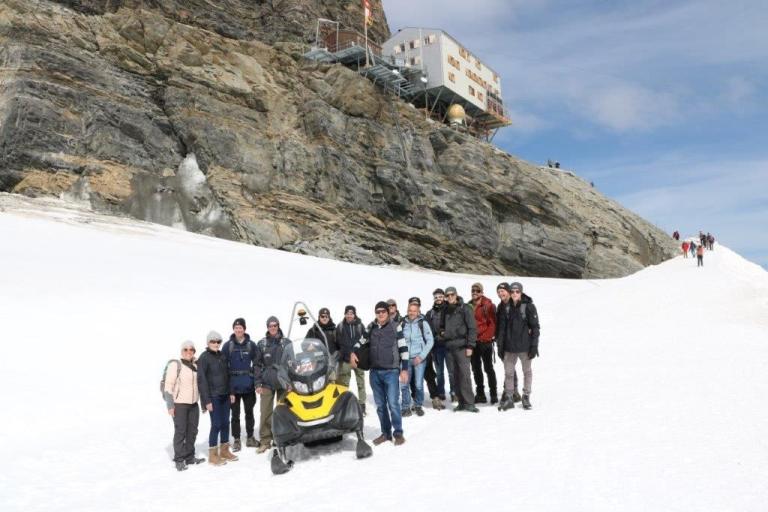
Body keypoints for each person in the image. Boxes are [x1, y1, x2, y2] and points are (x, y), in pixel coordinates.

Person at [351, 301, 409, 445]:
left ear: (388, 312)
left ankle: (398, 433)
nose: (381, 314)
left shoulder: (396, 327)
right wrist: (353, 352)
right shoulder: (371, 327)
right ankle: (386, 433)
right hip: (375, 372)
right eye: (378, 312)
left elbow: (403, 349)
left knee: (393, 404)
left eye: (383, 311)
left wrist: (405, 369)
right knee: (381, 406)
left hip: (391, 371)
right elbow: (360, 342)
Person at [496, 282, 540, 411]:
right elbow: (502, 330)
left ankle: (526, 396)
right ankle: (509, 397)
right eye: (513, 291)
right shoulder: (505, 307)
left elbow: (535, 328)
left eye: (517, 291)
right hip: (509, 348)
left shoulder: (529, 307)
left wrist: (534, 346)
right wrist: (500, 347)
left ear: (521, 292)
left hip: (525, 347)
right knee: (508, 374)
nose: (515, 294)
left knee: (527, 372)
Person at [197, 331, 238, 465]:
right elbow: (201, 381)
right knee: (216, 424)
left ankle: (225, 451)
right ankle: (213, 455)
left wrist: (231, 392)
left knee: (226, 423)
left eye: (218, 342)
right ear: (208, 343)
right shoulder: (203, 358)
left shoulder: (222, 356)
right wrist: (206, 401)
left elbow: (229, 375)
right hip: (213, 397)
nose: (216, 344)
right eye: (213, 342)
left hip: (225, 395)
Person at [163, 340, 204, 471]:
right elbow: (168, 385)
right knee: (181, 432)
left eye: (191, 349)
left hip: (193, 404)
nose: (188, 352)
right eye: (185, 350)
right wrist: (170, 405)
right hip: (179, 404)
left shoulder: (196, 366)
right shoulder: (176, 365)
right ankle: (179, 459)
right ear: (182, 351)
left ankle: (190, 457)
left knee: (192, 431)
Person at [254, 316, 292, 454]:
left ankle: (281, 437)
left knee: (283, 411)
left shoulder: (286, 343)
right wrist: (257, 383)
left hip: (283, 382)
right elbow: (257, 365)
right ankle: (265, 441)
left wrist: (290, 381)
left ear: (278, 326)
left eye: (275, 325)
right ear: (267, 327)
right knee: (265, 412)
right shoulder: (262, 344)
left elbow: (291, 362)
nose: (273, 328)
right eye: (270, 325)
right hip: (266, 383)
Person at [221, 318, 257, 452]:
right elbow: (223, 366)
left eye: (240, 327)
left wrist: (255, 380)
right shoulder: (228, 345)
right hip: (233, 388)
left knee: (249, 413)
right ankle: (236, 439)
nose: (238, 330)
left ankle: (250, 437)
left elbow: (258, 363)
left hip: (248, 386)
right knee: (235, 415)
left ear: (244, 329)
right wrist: (228, 388)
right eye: (236, 328)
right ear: (233, 329)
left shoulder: (251, 345)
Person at [442, 286, 478, 413]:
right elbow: (441, 327)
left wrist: (470, 346)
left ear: (456, 295)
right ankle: (461, 402)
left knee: (465, 374)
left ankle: (469, 402)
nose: (450, 297)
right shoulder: (444, 310)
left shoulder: (465, 308)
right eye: (447, 295)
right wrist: (443, 334)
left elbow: (472, 328)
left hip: (462, 346)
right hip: (450, 347)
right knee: (454, 375)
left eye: (452, 294)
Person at [400, 297, 434, 417]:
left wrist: (421, 356)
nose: (412, 312)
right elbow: (398, 340)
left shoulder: (422, 323)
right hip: (405, 359)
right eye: (410, 310)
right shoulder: (402, 323)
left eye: (414, 310)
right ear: (407, 310)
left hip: (419, 359)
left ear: (418, 311)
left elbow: (430, 341)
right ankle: (405, 407)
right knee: (404, 384)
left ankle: (418, 405)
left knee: (418, 384)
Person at [332, 305, 368, 415]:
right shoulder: (340, 326)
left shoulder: (360, 326)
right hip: (345, 360)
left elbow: (365, 341)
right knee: (343, 384)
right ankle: (344, 405)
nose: (349, 315)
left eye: (351, 313)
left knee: (360, 382)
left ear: (354, 314)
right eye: (347, 313)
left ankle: (362, 405)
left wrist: (363, 355)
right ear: (345, 314)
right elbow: (336, 342)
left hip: (358, 360)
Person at [469, 283, 498, 404]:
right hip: (473, 342)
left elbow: (493, 324)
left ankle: (493, 394)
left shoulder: (488, 305)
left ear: (482, 291)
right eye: (473, 290)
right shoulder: (469, 305)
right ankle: (480, 394)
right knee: (476, 369)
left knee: (488, 368)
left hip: (485, 342)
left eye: (477, 290)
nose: (475, 292)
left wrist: (486, 337)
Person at [425, 288, 453, 409]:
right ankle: (441, 392)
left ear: (444, 297)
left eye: (440, 297)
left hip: (448, 345)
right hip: (436, 346)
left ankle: (454, 392)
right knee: (440, 372)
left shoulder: (450, 310)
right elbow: (428, 331)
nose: (438, 299)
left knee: (452, 371)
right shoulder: (430, 313)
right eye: (436, 297)